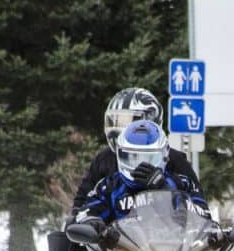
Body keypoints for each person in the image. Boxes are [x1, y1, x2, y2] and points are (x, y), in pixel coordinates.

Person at [71, 87, 204, 214]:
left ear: (150, 121)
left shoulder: (174, 160)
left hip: (166, 234)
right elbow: (82, 204)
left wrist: (166, 189)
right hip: (115, 235)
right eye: (114, 120)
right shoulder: (104, 160)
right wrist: (85, 225)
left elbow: (199, 212)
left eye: (125, 121)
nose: (116, 128)